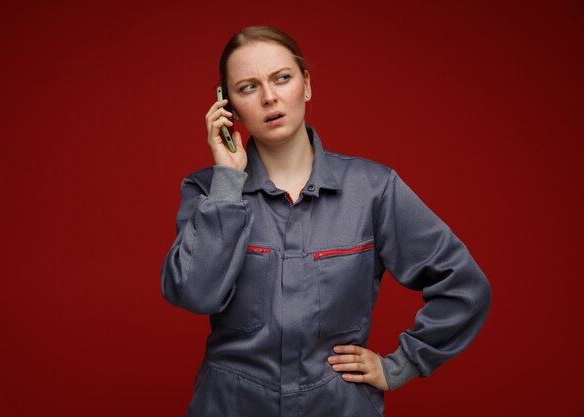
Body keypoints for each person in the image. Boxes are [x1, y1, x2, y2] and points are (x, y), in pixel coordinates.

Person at [160, 26, 492, 417]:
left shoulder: (372, 189)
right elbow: (196, 294)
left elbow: (464, 286)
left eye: (282, 78)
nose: (270, 97)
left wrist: (399, 366)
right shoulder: (207, 190)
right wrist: (229, 184)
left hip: (338, 407)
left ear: (306, 85)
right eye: (248, 87)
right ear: (226, 105)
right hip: (230, 405)